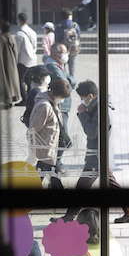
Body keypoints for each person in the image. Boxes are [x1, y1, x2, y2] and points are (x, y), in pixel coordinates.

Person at [52, 81, 129, 224]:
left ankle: (68, 218)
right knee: (106, 184)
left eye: (82, 97)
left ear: (90, 96)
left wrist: (82, 114)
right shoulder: (98, 106)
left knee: (82, 186)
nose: (81, 100)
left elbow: (92, 131)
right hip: (99, 155)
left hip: (98, 156)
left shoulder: (101, 109)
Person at [29, 79, 70, 190]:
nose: (62, 100)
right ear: (56, 94)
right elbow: (35, 127)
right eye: (62, 97)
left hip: (49, 145)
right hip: (45, 145)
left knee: (52, 171)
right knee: (44, 171)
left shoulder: (51, 102)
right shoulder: (45, 106)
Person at [45, 43, 77, 174]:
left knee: (62, 136)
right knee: (62, 137)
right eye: (63, 52)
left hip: (63, 105)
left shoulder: (59, 65)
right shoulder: (53, 67)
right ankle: (57, 164)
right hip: (60, 106)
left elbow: (71, 81)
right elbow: (67, 85)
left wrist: (69, 80)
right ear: (54, 54)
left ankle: (56, 164)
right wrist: (69, 80)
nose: (66, 54)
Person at [14, 12, 38, 106]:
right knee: (29, 80)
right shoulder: (32, 31)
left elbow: (17, 49)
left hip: (23, 60)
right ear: (27, 20)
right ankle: (29, 98)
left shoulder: (19, 34)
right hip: (32, 58)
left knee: (20, 79)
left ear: (19, 21)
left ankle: (24, 99)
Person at [0, 19, 22, 109]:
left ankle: (7, 100)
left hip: (4, 62)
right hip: (11, 61)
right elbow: (15, 50)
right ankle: (11, 99)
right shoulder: (10, 36)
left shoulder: (1, 38)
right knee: (11, 82)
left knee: (6, 81)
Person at [56, 9, 81, 77]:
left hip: (63, 50)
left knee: (62, 68)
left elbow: (57, 40)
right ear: (70, 16)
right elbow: (78, 37)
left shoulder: (59, 26)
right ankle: (72, 84)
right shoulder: (75, 25)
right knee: (72, 69)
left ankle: (64, 83)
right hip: (73, 49)